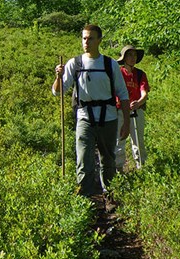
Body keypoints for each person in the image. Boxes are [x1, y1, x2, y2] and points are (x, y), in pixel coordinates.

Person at [52, 24, 130, 201]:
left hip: (109, 119)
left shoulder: (110, 64)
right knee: (83, 161)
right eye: (84, 38)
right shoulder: (75, 63)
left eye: (91, 38)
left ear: (99, 40)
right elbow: (58, 91)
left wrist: (126, 122)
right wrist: (58, 76)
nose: (86, 42)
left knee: (108, 161)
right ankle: (84, 201)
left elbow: (123, 94)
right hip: (84, 118)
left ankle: (109, 198)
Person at [114, 45, 150, 171]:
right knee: (119, 139)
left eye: (134, 55)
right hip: (119, 111)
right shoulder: (117, 73)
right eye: (129, 55)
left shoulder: (140, 74)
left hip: (136, 110)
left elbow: (144, 93)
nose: (133, 58)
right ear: (124, 57)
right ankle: (118, 168)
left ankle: (141, 166)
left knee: (138, 140)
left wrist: (138, 103)